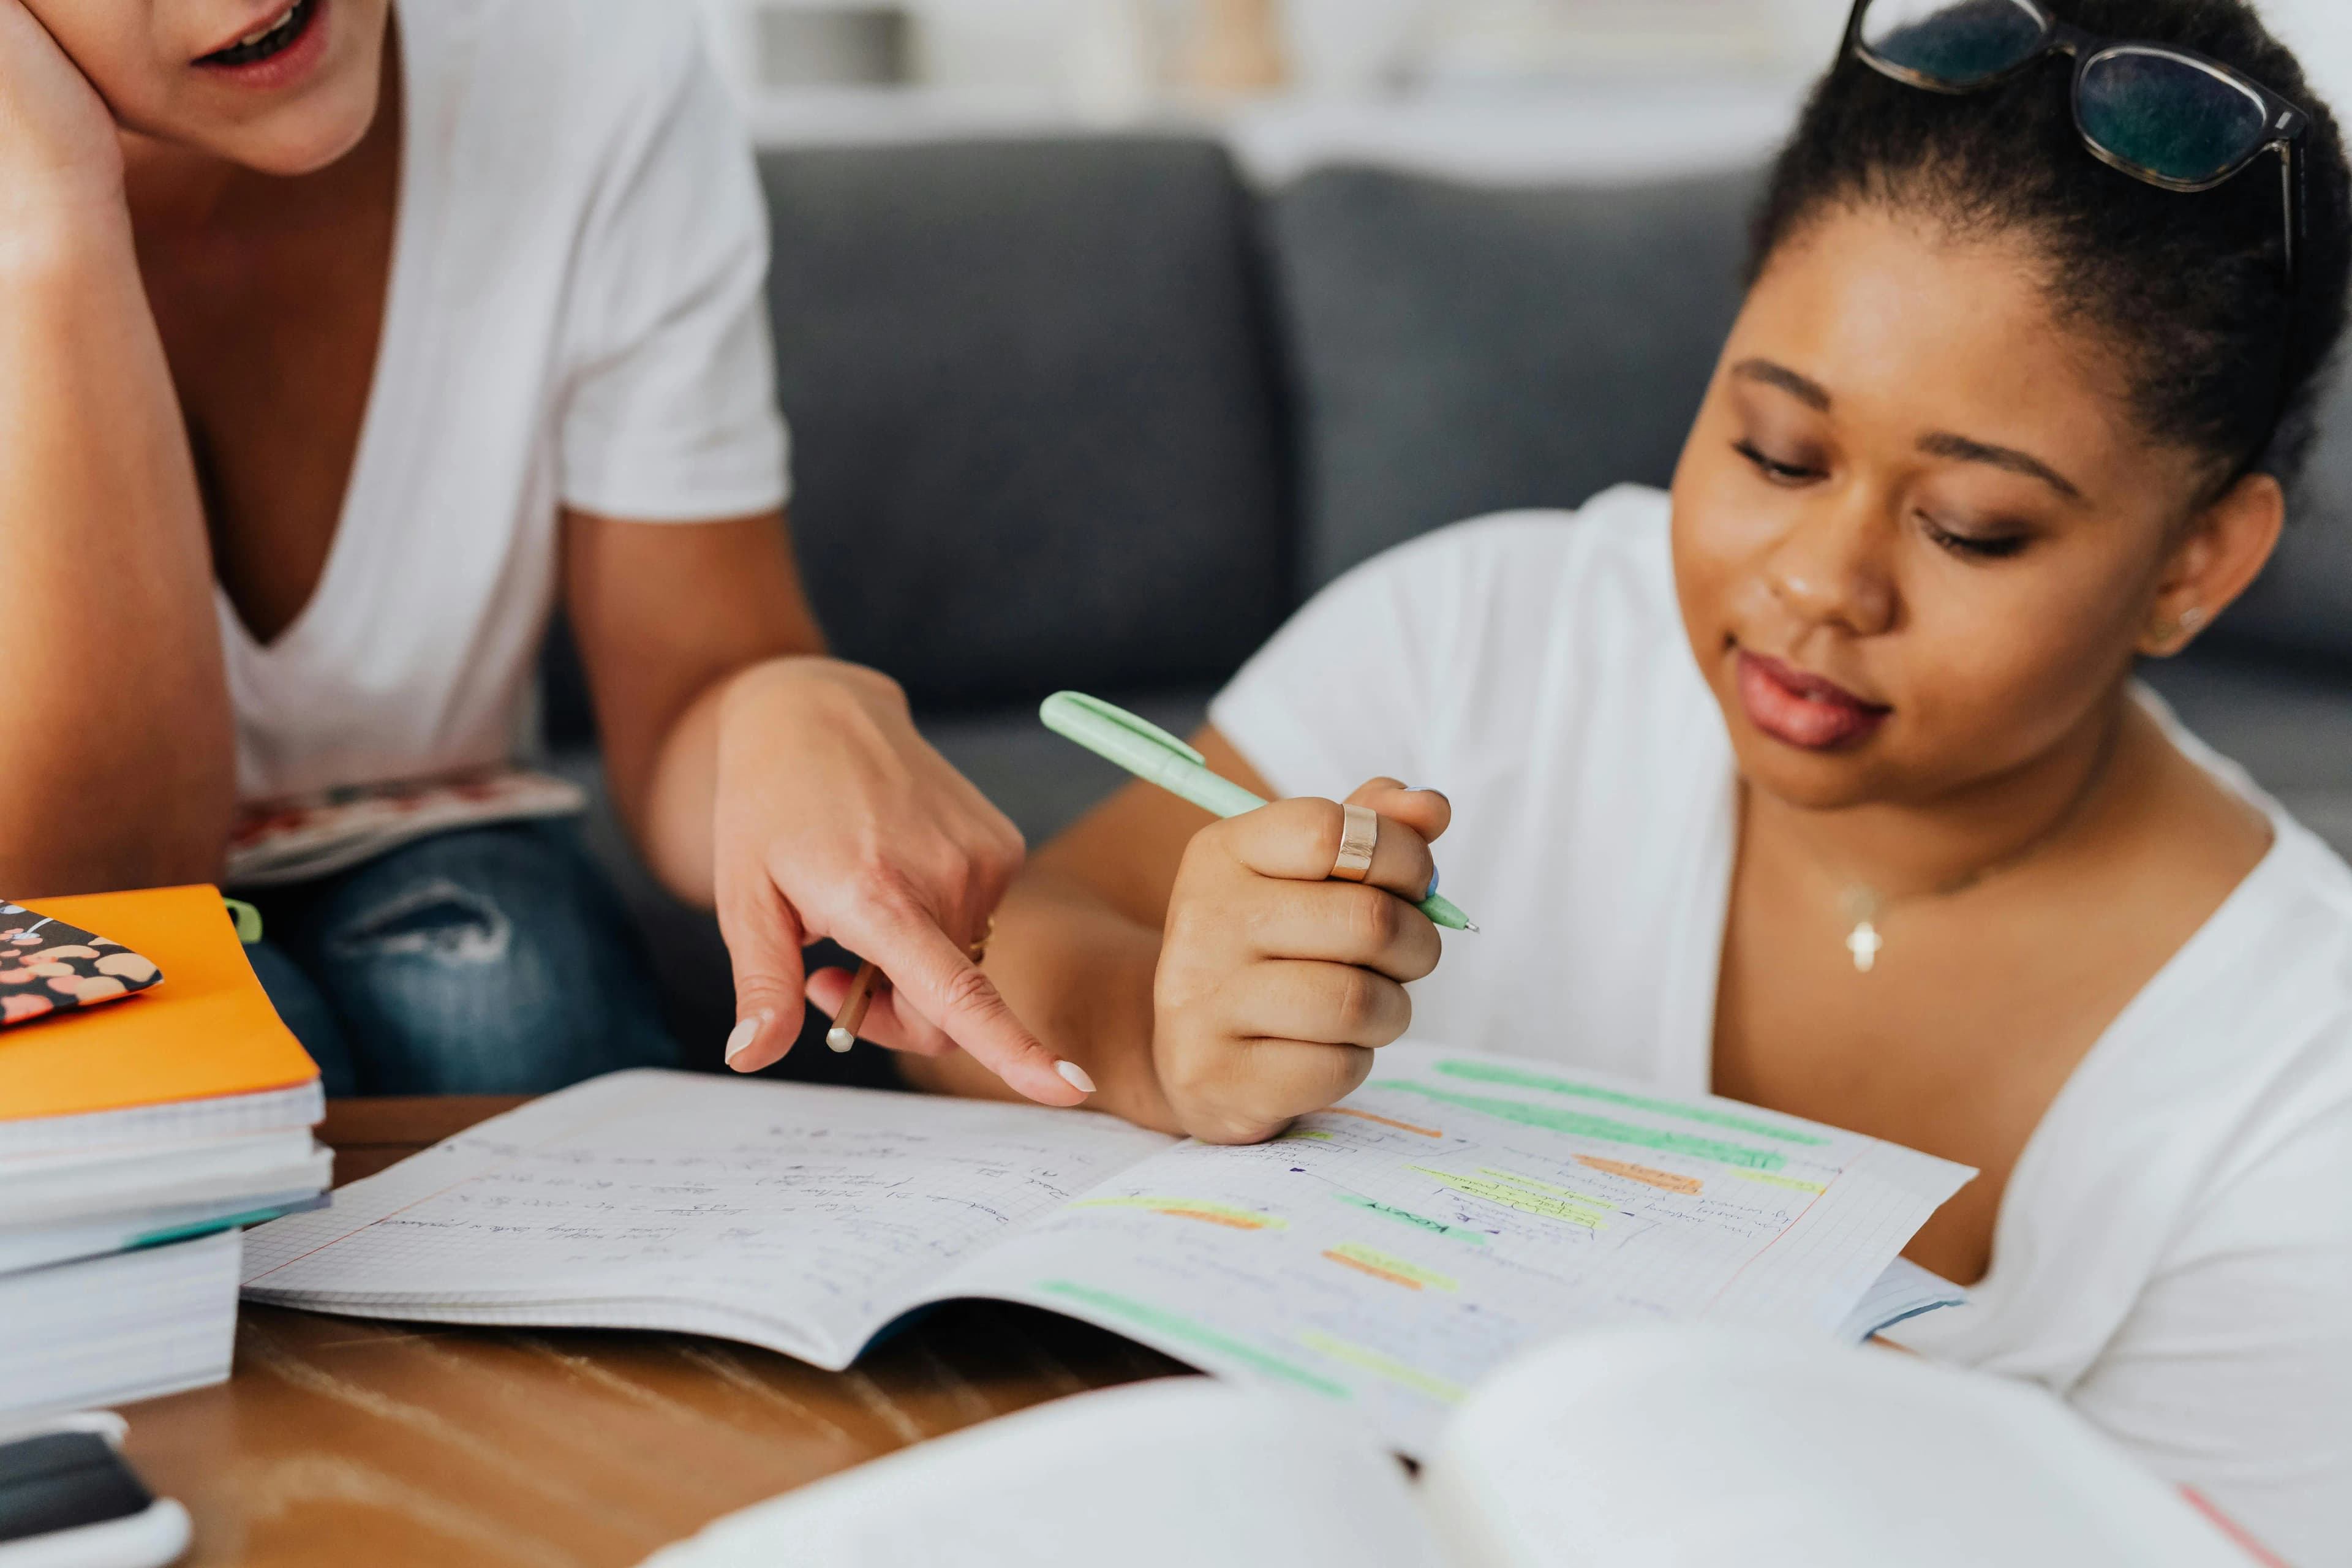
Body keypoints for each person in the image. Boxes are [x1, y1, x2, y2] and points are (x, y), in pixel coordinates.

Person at [850, 0, 2352, 1553]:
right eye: (1776, 448)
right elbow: (1016, 941)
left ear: (2196, 563)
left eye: (1970, 525)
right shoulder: (1493, 642)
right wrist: (1165, 1040)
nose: (1819, 585)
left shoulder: (2300, 1085)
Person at [0, 0, 1091, 1106]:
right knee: (198, 1070)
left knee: (501, 977)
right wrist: (50, 227)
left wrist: (786, 707)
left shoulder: (584, 60)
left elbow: (686, 696)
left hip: (450, 858)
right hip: (47, 891)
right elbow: (92, 891)